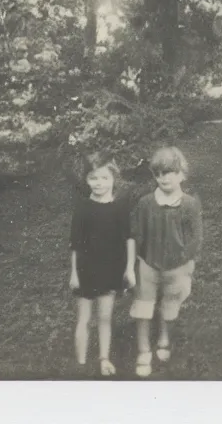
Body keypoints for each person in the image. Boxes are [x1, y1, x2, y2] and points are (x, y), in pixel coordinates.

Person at [129, 146, 203, 376]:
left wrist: (189, 261)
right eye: (158, 174)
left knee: (170, 304)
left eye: (169, 172)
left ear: (181, 174)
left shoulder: (189, 204)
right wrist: (137, 261)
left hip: (177, 265)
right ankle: (143, 350)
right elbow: (136, 234)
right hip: (149, 263)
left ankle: (163, 338)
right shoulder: (146, 203)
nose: (163, 179)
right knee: (143, 305)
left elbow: (195, 237)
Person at [69, 152, 136, 376]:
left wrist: (128, 269)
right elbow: (75, 244)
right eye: (93, 178)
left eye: (104, 178)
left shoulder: (119, 208)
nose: (99, 183)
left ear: (113, 179)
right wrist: (74, 273)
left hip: (111, 269)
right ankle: (80, 363)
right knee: (85, 318)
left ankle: (104, 358)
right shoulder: (82, 208)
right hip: (86, 270)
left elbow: (129, 239)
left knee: (105, 317)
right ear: (86, 180)